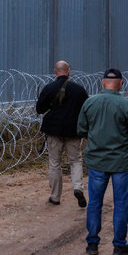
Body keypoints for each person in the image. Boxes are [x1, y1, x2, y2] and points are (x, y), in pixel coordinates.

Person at [77, 68, 128, 255]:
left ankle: (92, 244)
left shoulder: (89, 103)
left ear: (102, 82)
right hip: (120, 163)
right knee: (121, 204)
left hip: (97, 162)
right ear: (121, 83)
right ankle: (119, 246)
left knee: (94, 203)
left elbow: (81, 129)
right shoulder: (127, 106)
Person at [36, 60, 90, 207]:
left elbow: (39, 108)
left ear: (55, 71)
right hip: (73, 131)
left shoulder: (49, 88)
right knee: (76, 160)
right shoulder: (79, 90)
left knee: (55, 163)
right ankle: (78, 188)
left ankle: (55, 197)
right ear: (69, 71)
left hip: (53, 130)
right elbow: (87, 109)